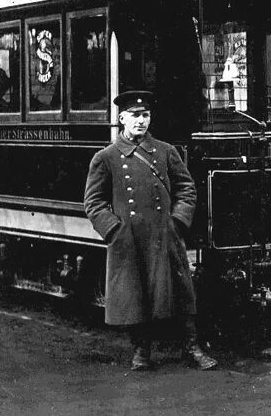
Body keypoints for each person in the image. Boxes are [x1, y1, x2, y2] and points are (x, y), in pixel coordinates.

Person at [83, 90, 217, 372]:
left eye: (145, 115)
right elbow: (94, 203)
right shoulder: (106, 158)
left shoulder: (166, 152)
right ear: (122, 119)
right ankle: (141, 352)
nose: (141, 121)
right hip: (129, 239)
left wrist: (177, 222)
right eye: (134, 116)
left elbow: (186, 190)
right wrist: (114, 231)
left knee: (182, 294)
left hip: (165, 235)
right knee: (136, 295)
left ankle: (193, 348)